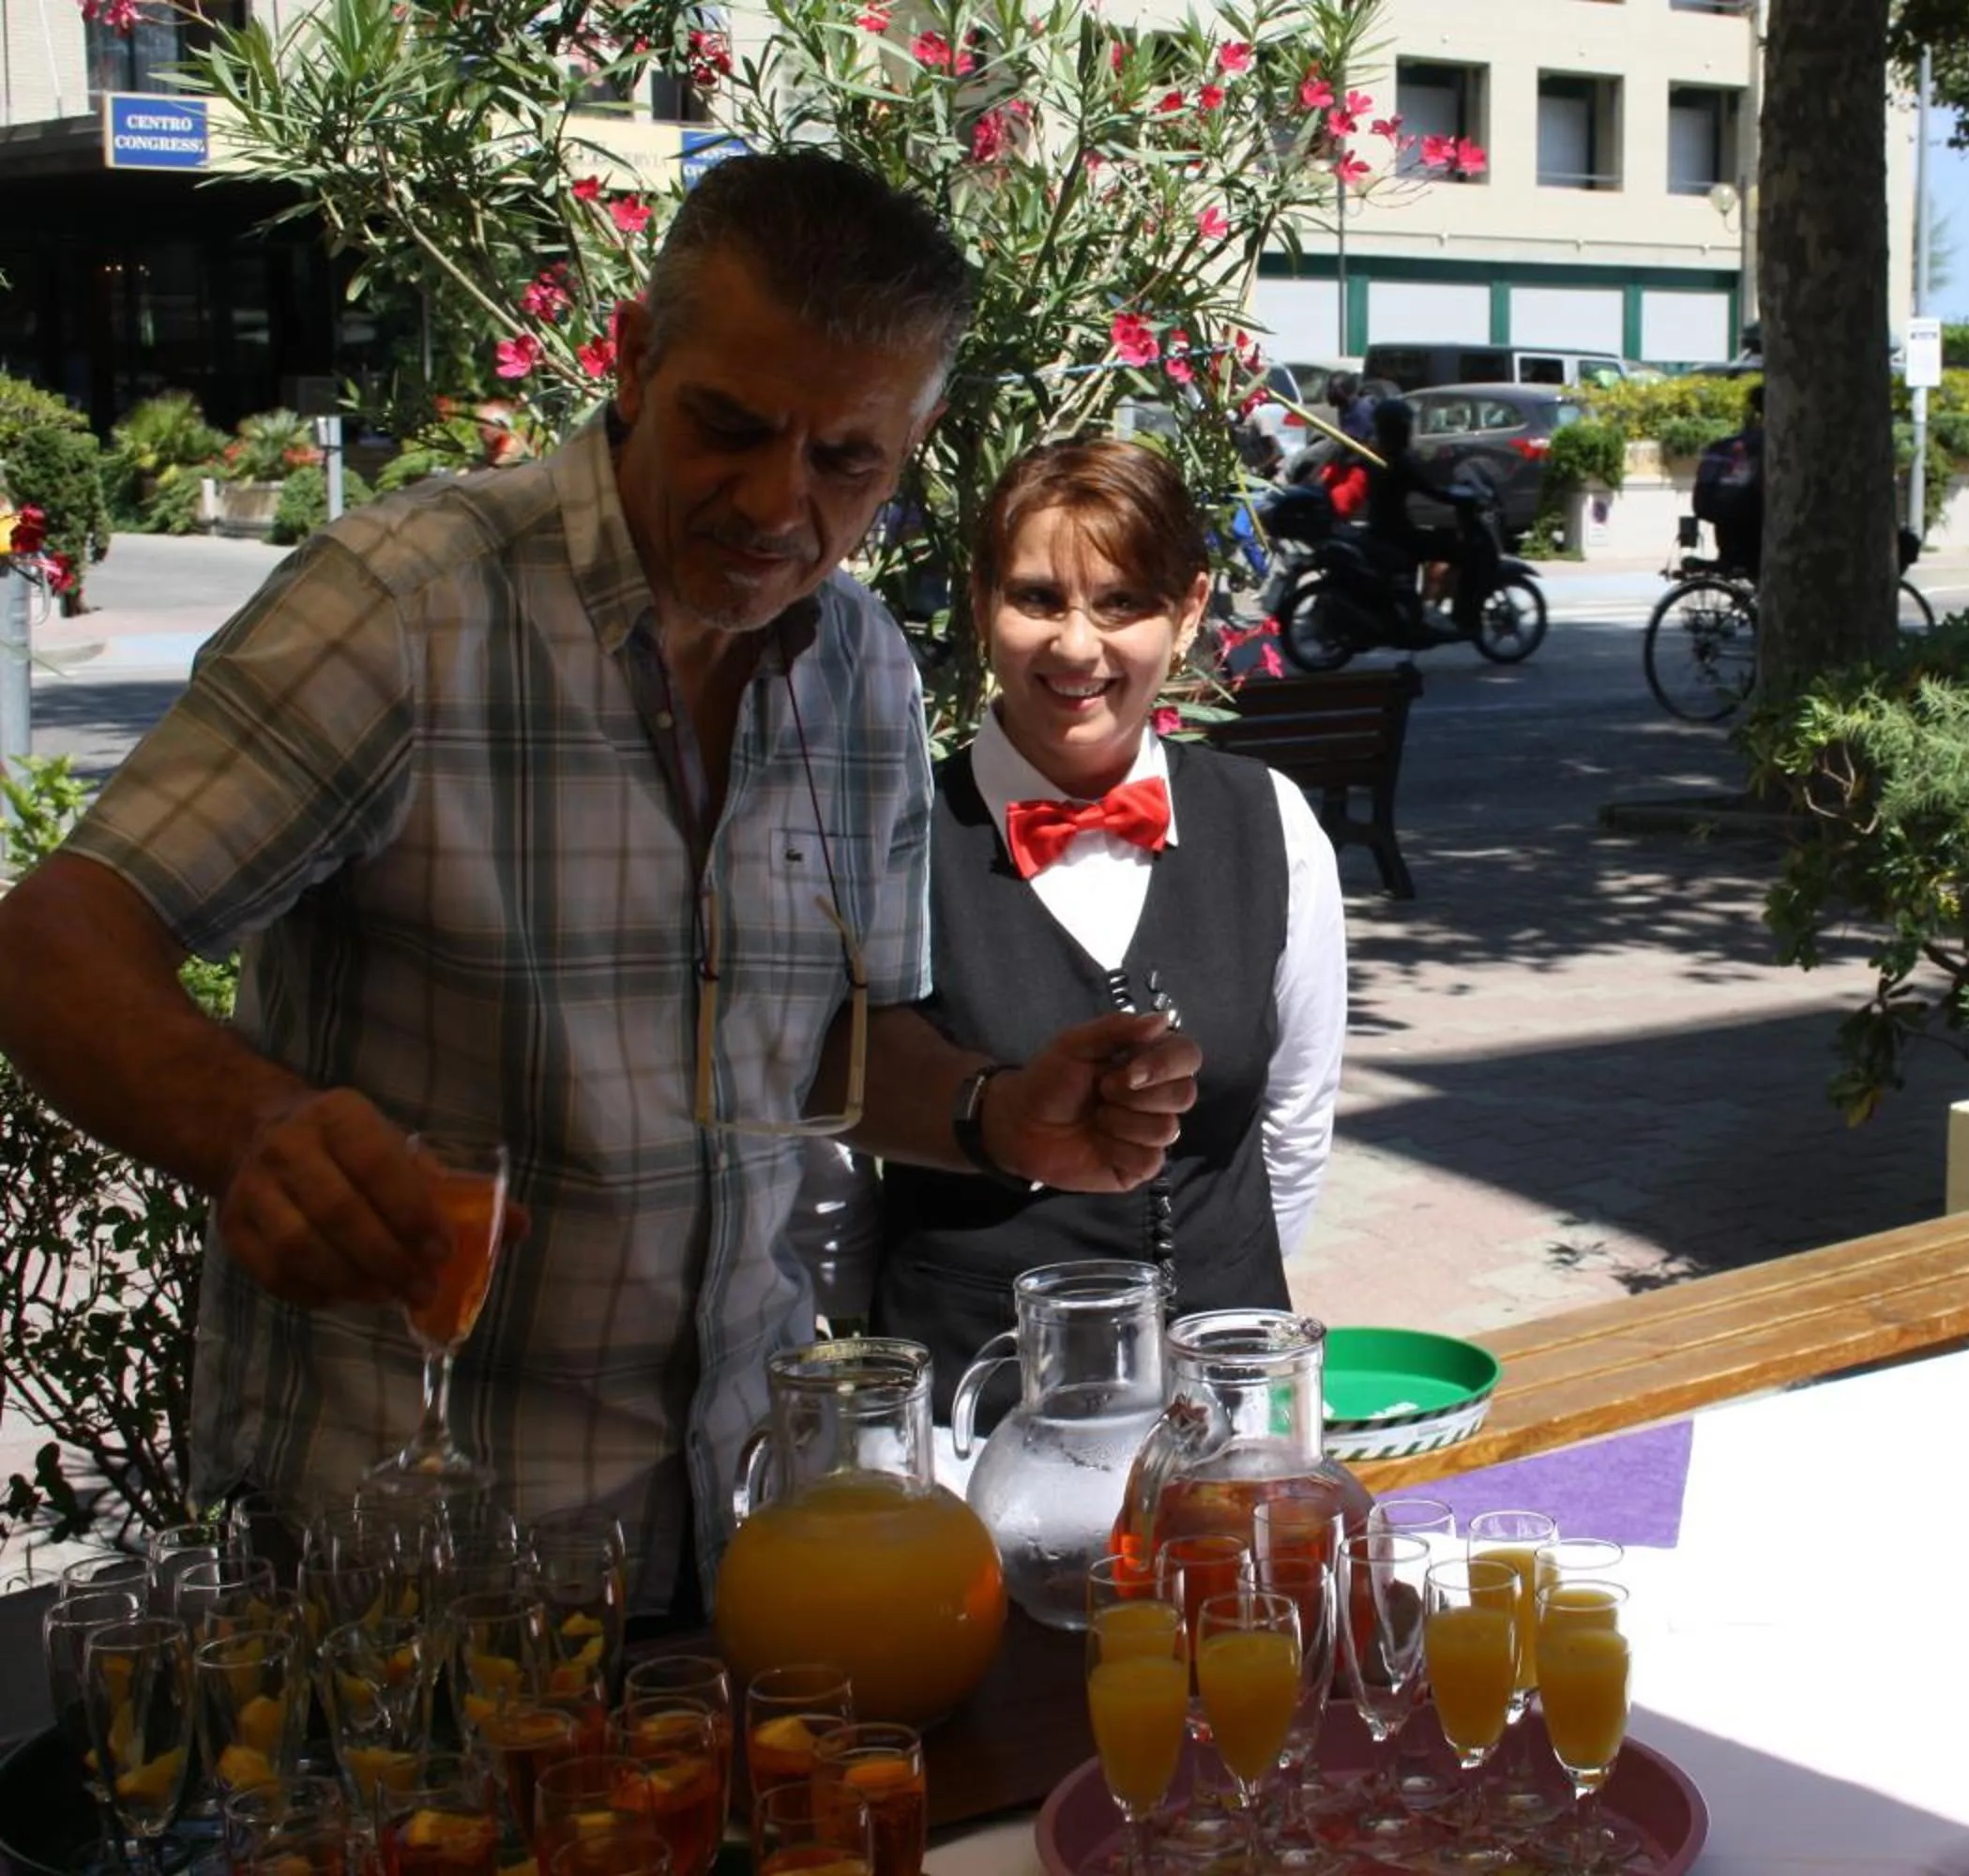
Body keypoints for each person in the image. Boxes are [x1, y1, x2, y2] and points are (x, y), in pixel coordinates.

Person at [0, 151, 1201, 1610]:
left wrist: (995, 1112)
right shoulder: (410, 609)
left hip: (742, 1536)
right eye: (731, 426)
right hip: (410, 1566)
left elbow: (816, 1049)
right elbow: (51, 943)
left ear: (918, 437)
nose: (778, 502)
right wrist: (248, 1129)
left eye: (846, 461)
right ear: (632, 360)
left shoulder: (863, 671)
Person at [873, 438, 1345, 1399]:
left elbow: (1296, 1115)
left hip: (1226, 1385)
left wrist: (1230, 1282)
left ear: (1190, 611)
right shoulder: (898, 838)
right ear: (981, 603)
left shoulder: (1272, 821)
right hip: (977, 1388)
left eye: (1122, 601)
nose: (1077, 645)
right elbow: (833, 1144)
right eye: (1038, 597)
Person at [1362, 397, 1464, 608]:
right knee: (1453, 548)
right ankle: (1427, 607)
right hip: (1396, 532)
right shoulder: (1398, 461)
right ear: (1399, 430)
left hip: (1382, 527)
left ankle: (1423, 605)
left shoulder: (1376, 455)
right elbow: (1429, 489)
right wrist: (1459, 498)